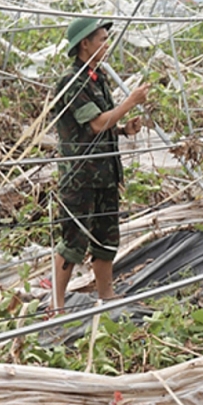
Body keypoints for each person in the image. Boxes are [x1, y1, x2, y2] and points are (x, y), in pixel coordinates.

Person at [51, 18, 148, 314]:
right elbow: (95, 124)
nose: (106, 45)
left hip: (104, 174)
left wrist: (123, 130)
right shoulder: (72, 81)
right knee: (73, 241)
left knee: (106, 237)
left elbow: (103, 125)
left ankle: (107, 296)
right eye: (102, 40)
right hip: (81, 177)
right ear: (85, 44)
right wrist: (129, 102)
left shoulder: (97, 77)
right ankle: (57, 306)